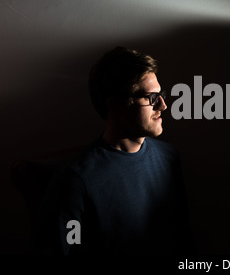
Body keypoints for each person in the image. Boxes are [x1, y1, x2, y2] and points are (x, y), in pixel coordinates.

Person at [34, 47, 194, 255]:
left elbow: (183, 238)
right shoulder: (75, 180)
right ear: (116, 105)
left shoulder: (169, 157)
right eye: (151, 97)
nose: (162, 105)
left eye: (161, 95)